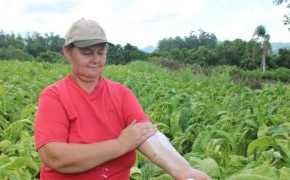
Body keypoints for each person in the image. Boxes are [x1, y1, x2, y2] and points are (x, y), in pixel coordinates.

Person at [34, 18, 211, 180]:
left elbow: (147, 135)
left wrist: (183, 171)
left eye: (101, 53)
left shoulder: (121, 94)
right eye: (87, 53)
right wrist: (120, 144)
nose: (96, 60)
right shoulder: (55, 96)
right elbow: (55, 156)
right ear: (68, 52)